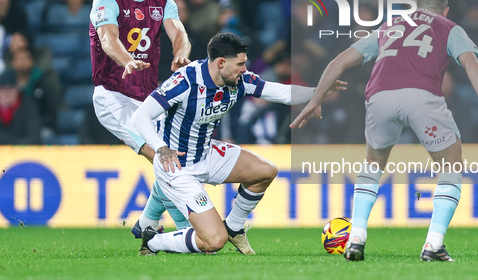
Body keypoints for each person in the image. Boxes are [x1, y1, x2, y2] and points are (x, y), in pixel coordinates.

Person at [291, 0, 478, 261]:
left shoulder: (389, 26)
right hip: (421, 96)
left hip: (379, 97)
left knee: (372, 164)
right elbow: (471, 64)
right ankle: (433, 245)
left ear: (414, 6)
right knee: (451, 166)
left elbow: (339, 61)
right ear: (445, 9)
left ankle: (356, 237)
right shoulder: (449, 26)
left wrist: (314, 100)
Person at [131, 32, 345, 255]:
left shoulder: (240, 81)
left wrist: (318, 92)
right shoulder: (185, 81)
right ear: (221, 63)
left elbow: (281, 92)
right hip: (177, 166)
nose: (245, 69)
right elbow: (140, 117)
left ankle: (233, 227)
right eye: (240, 64)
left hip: (206, 153)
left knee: (265, 171)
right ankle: (152, 241)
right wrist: (161, 148)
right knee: (213, 241)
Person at [89, 0, 192, 237]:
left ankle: (147, 222)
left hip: (148, 101)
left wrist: (181, 52)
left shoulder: (163, 3)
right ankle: (189, 229)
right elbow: (109, 39)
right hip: (113, 97)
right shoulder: (106, 0)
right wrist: (127, 61)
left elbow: (179, 34)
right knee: (163, 156)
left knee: (173, 156)